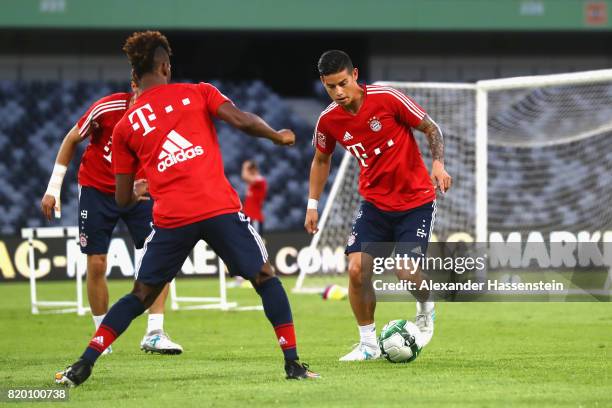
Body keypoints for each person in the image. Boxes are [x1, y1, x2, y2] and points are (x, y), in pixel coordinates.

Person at [55, 30, 318, 386]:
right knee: (265, 277)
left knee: (140, 295)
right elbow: (241, 119)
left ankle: (84, 363)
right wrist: (277, 135)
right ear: (165, 66)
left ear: (136, 75)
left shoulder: (125, 126)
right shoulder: (197, 92)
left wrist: (137, 191)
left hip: (171, 217)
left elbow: (121, 200)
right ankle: (293, 364)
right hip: (217, 208)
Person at [304, 50, 452, 361]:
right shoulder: (329, 120)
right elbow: (321, 159)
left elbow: (431, 128)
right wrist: (312, 205)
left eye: (343, 83)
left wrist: (438, 164)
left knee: (405, 271)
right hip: (374, 204)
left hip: (416, 203)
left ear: (355, 74)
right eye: (331, 87)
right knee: (357, 270)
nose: (339, 92)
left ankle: (426, 307)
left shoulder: (386, 98)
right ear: (323, 83)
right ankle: (368, 345)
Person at [41, 80, 182, 355]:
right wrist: (53, 188)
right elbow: (72, 138)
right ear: (134, 86)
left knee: (160, 255)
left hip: (137, 190)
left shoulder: (159, 117)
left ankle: (154, 332)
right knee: (96, 262)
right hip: (97, 190)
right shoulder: (107, 108)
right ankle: (101, 335)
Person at [241, 160, 267, 235]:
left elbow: (245, 176)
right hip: (248, 217)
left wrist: (245, 166)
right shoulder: (252, 184)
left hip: (255, 218)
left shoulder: (260, 180)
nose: (249, 171)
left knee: (256, 240)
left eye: (251, 169)